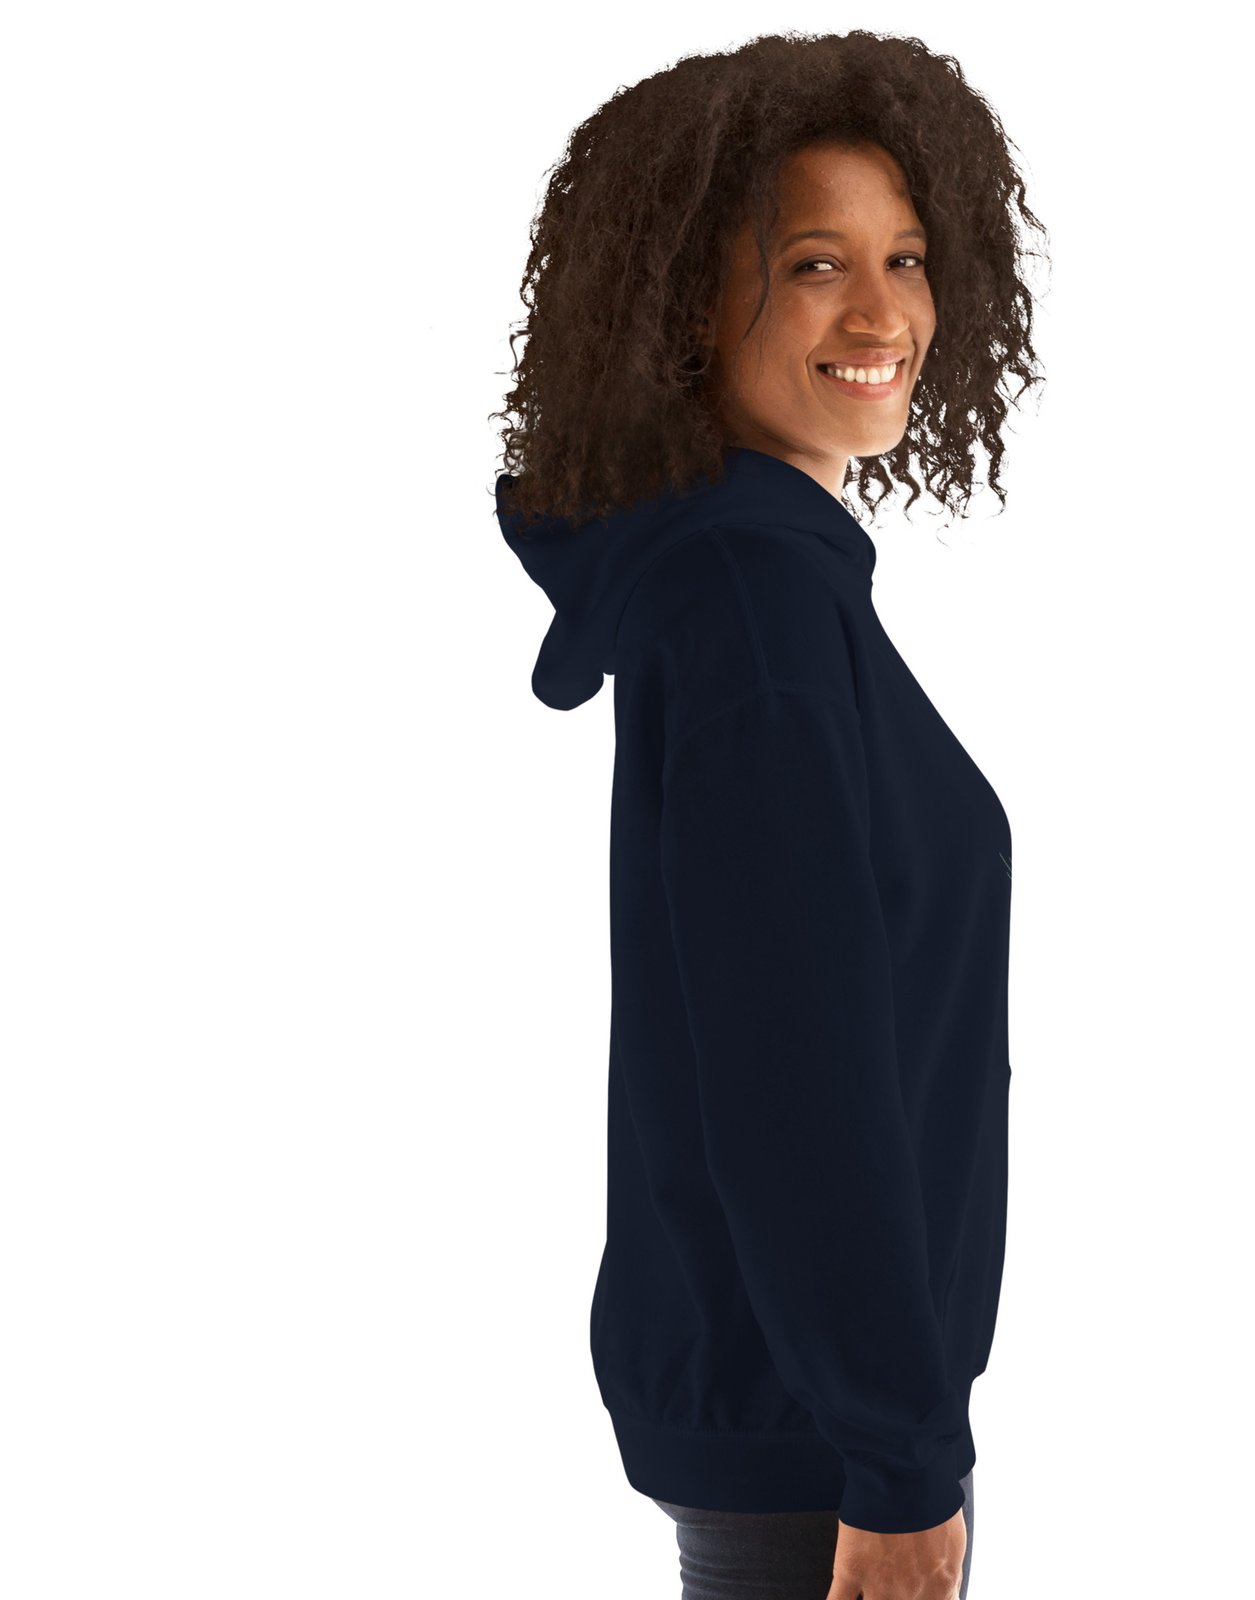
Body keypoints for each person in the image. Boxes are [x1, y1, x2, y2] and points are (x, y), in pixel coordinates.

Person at [490, 29, 1045, 1599]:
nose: (883, 315)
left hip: (806, 1417)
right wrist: (898, 1456)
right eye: (814, 265)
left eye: (905, 258)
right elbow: (794, 1066)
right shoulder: (755, 607)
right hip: (823, 1450)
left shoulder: (755, 582)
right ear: (686, 302)